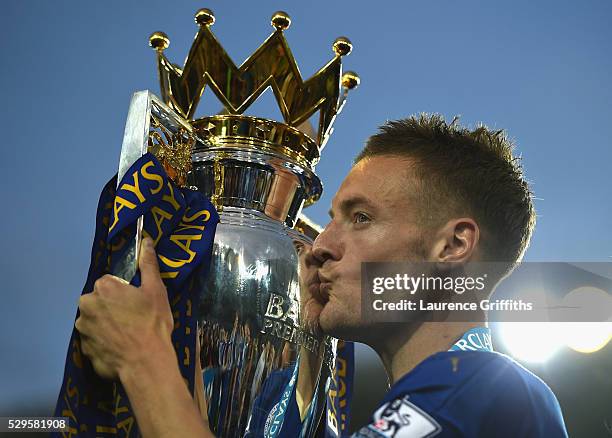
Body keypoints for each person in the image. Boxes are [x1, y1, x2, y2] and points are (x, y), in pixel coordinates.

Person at [75, 114, 569, 437]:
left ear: (453, 245)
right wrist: (307, 356)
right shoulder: (454, 399)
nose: (323, 246)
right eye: (331, 219)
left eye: (360, 219)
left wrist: (143, 358)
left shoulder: (479, 387)